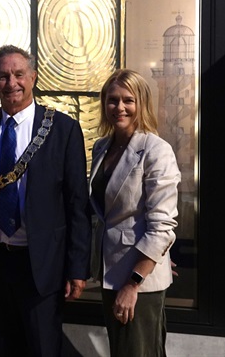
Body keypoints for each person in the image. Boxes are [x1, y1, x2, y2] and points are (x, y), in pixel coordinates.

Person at [0, 44, 92, 357]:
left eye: (19, 74)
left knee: (43, 347)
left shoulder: (63, 129)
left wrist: (77, 268)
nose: (11, 83)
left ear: (33, 77)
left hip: (42, 262)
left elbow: (77, 204)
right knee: (7, 346)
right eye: (3, 76)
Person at [89, 69, 180, 357]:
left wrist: (135, 281)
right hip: (109, 271)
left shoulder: (156, 150)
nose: (120, 107)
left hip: (136, 282)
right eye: (112, 100)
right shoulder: (102, 147)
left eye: (128, 100)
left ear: (141, 103)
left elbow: (163, 225)